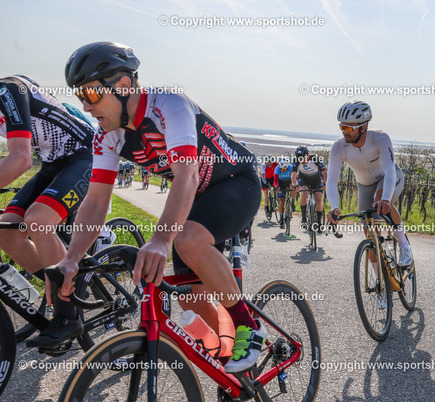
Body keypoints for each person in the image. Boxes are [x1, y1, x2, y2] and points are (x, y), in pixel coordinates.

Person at [56, 42, 264, 375]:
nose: (86, 106)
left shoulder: (168, 104)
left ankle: (248, 324)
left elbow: (187, 175)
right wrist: (71, 258)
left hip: (236, 181)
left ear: (124, 85)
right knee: (189, 298)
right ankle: (236, 369)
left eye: (92, 94)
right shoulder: (107, 136)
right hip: (198, 197)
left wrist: (160, 241)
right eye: (80, 96)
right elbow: (95, 201)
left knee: (187, 240)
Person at [0, 74, 94, 346]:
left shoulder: (8, 90)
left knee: (38, 220)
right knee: (7, 231)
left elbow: (20, 158)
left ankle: (67, 315)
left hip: (84, 155)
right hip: (51, 164)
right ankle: (64, 286)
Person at [326, 101, 413, 267]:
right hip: (364, 185)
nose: (344, 131)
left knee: (380, 199)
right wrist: (334, 208)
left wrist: (386, 199)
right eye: (342, 127)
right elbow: (331, 181)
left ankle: (404, 246)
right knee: (371, 236)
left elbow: (390, 170)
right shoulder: (339, 147)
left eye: (349, 128)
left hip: (389, 178)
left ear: (363, 127)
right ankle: (380, 280)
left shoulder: (380, 138)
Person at [293, 146, 326, 229]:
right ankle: (303, 219)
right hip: (304, 179)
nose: (302, 161)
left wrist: (325, 183)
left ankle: (319, 222)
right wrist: (295, 185)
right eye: (300, 159)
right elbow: (293, 175)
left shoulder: (315, 159)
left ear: (308, 155)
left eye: (303, 159)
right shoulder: (296, 160)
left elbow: (324, 172)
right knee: (304, 194)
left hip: (316, 180)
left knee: (318, 199)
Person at [273, 160, 295, 229]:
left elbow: (295, 178)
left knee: (294, 189)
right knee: (282, 201)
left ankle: (293, 203)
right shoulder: (277, 169)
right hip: (281, 183)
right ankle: (281, 219)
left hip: (290, 181)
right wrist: (277, 186)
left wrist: (293, 184)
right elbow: (275, 181)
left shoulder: (291, 168)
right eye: (281, 169)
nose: (282, 170)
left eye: (284, 169)